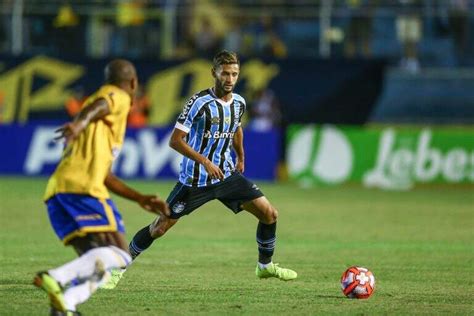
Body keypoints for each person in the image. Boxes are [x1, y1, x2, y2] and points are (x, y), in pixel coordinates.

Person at [104, 50, 297, 289]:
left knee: (270, 214)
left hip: (227, 176)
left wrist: (241, 155)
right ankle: (118, 268)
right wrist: (205, 161)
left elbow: (236, 128)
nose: (230, 79)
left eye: (234, 74)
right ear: (214, 72)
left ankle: (265, 266)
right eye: (225, 73)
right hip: (195, 181)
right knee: (159, 227)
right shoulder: (198, 103)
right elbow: (175, 140)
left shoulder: (239, 103)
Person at [33, 59, 169, 315]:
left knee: (98, 263)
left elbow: (106, 175)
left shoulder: (104, 127)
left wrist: (139, 198)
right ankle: (57, 277)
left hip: (58, 191)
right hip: (82, 188)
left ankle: (65, 305)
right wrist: (78, 124)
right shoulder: (118, 96)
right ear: (133, 83)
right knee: (121, 254)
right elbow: (101, 104)